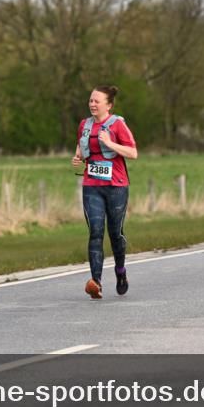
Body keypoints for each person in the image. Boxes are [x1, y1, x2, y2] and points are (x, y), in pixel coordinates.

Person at [71, 86, 138, 299]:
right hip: (92, 185)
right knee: (95, 232)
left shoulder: (118, 124)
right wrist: (77, 158)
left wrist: (110, 143)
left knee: (115, 234)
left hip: (116, 186)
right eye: (90, 100)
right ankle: (96, 283)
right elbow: (81, 148)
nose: (92, 104)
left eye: (96, 101)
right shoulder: (84, 125)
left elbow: (133, 153)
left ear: (108, 105)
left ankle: (120, 272)